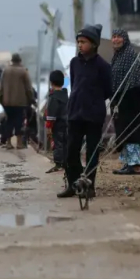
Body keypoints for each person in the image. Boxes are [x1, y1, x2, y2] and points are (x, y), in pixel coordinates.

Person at [58, 24, 112, 199]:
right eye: (78, 42)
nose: (80, 45)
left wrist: (92, 100)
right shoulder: (74, 63)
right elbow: (74, 85)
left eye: (83, 42)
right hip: (75, 114)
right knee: (71, 152)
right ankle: (74, 184)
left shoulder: (103, 66)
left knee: (92, 153)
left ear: (94, 44)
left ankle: (89, 186)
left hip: (94, 115)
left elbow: (108, 90)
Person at [110, 28, 140, 175]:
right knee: (123, 132)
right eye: (113, 37)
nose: (115, 40)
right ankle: (128, 163)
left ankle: (134, 164)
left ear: (125, 39)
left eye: (118, 37)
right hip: (121, 103)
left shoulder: (131, 55)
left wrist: (130, 87)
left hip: (131, 102)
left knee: (132, 132)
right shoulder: (118, 57)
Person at [0, 53, 34, 150]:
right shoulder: (23, 71)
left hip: (7, 101)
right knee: (19, 122)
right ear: (20, 61)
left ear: (12, 60)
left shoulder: (6, 71)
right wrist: (31, 99)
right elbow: (28, 88)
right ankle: (19, 143)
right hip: (20, 102)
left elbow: (1, 87)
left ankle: (8, 143)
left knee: (8, 121)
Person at [45, 70, 69, 173]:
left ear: (51, 82)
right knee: (65, 143)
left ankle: (58, 163)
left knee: (57, 144)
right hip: (66, 124)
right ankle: (65, 163)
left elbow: (51, 114)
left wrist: (49, 127)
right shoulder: (65, 95)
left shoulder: (54, 97)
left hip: (57, 125)